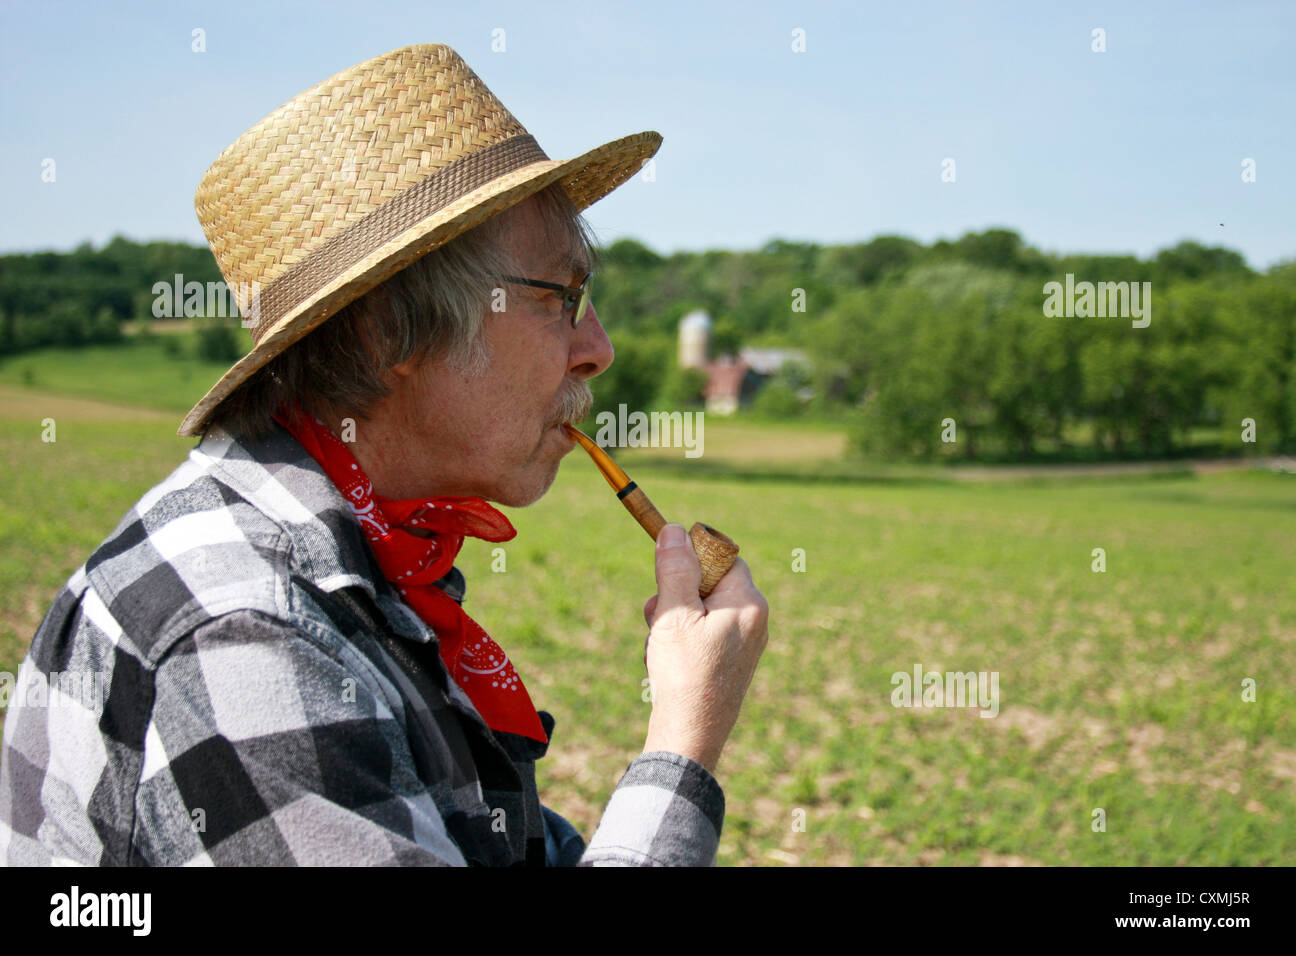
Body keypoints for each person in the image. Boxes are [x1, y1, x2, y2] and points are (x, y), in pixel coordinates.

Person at [0, 44, 768, 866]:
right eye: (562, 298)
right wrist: (685, 743)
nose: (597, 350)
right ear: (390, 330)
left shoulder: (367, 568)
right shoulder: (248, 633)